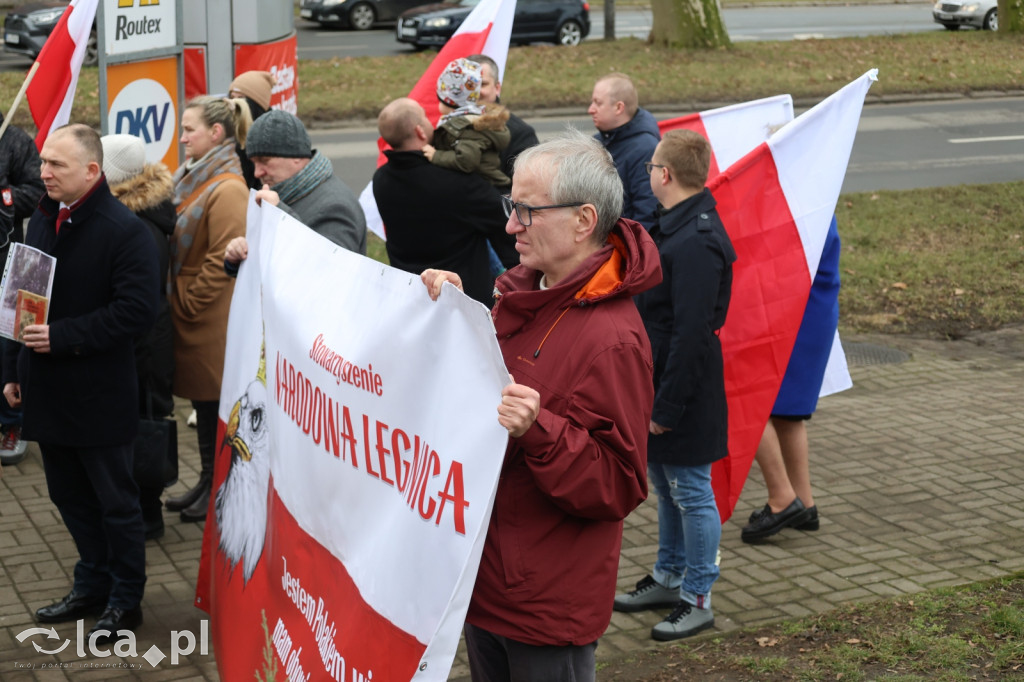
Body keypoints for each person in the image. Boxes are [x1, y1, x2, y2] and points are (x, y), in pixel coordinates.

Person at [421, 129, 662, 681]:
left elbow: (621, 484)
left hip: (545, 604)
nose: (509, 226)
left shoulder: (612, 340)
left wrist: (541, 430)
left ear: (583, 220)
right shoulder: (523, 294)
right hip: (487, 580)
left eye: (526, 211)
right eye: (513, 207)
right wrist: (453, 318)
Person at [2, 123, 160, 641]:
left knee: (116, 503)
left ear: (92, 172)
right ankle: (90, 583)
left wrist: (63, 336)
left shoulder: (126, 231)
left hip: (97, 395)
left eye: (56, 165)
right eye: (44, 162)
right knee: (68, 496)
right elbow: (21, 298)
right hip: (45, 389)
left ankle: (124, 600)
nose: (43, 173)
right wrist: (10, 369)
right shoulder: (42, 220)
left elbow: (137, 313)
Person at [613, 129, 736, 641]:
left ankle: (698, 595)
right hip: (659, 380)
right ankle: (668, 576)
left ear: (664, 174)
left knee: (691, 491)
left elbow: (692, 333)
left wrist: (666, 406)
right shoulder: (671, 228)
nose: (648, 175)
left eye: (650, 169)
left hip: (683, 391)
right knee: (665, 486)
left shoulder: (696, 240)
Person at [164, 96, 250, 523]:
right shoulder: (196, 174)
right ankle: (205, 481)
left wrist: (188, 301)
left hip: (211, 318)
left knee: (218, 405)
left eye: (189, 130)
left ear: (216, 133)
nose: (182, 138)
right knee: (204, 402)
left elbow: (225, 258)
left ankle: (219, 488)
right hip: (197, 316)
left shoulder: (228, 187)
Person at [741, 215, 842, 543]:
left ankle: (782, 498)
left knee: (744, 400)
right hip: (810, 308)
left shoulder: (797, 198)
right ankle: (804, 502)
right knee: (787, 410)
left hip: (792, 309)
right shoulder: (813, 192)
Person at [101, 134, 176, 542]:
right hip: (148, 342)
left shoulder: (136, 228)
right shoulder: (147, 214)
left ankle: (148, 513)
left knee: (144, 427)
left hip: (143, 346)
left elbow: (135, 301)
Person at [372, 98, 516, 308]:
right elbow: (507, 225)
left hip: (410, 298)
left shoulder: (381, 180)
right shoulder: (459, 184)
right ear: (420, 132)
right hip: (463, 299)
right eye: (427, 118)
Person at [223, 109, 367, 273]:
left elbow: (330, 272)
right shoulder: (284, 194)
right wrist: (238, 260)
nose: (257, 173)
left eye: (264, 161)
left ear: (296, 156)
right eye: (254, 162)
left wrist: (280, 216)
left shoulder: (336, 205)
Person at [0, 113, 46, 464]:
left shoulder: (14, 140)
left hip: (7, 261)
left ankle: (12, 423)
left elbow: (36, 191)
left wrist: (3, 196)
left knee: (6, 342)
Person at [423, 58, 511, 188]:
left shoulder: (465, 127)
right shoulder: (471, 118)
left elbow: (467, 161)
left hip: (488, 188)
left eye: (440, 101)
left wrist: (436, 156)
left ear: (450, 103)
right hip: (482, 186)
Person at [588, 73, 661, 230]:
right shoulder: (597, 142)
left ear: (619, 108)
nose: (590, 110)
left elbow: (647, 213)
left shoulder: (646, 149)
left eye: (598, 103)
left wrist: (631, 252)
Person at [466, 53, 539, 181]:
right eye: (470, 85)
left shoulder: (521, 134)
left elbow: (526, 189)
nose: (475, 93)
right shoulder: (446, 125)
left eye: (482, 84)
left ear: (497, 88)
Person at [227, 70, 276, 190]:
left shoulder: (272, 135)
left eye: (241, 98)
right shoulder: (230, 130)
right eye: (232, 97)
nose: (234, 104)